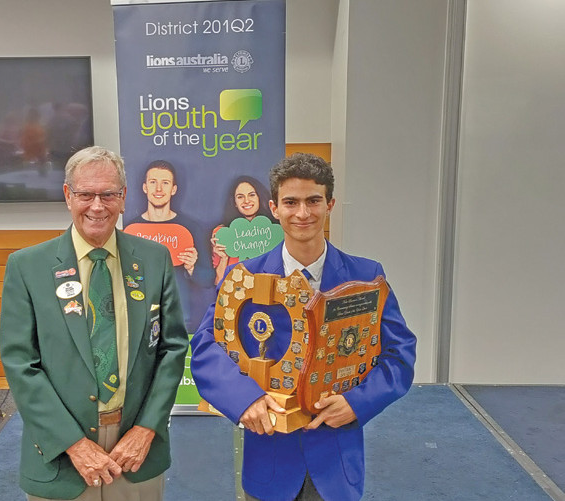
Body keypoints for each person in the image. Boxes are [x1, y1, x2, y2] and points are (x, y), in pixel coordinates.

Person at [190, 153, 417, 501]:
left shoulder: (366, 276)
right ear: (274, 207)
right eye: (290, 202)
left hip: (337, 459)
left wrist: (358, 402)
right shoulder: (246, 278)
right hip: (270, 459)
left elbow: (399, 355)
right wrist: (244, 399)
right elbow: (207, 346)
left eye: (313, 201)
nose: (302, 213)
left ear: (330, 204)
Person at [0, 146, 188, 501]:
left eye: (108, 194)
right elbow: (20, 364)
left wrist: (147, 428)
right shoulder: (28, 267)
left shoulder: (154, 260)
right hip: (62, 453)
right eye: (86, 194)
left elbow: (172, 348)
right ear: (68, 195)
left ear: (124, 197)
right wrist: (72, 443)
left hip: (136, 453)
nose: (97, 206)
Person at [128, 159, 215, 332]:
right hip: (140, 324)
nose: (158, 189)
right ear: (145, 187)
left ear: (173, 189)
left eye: (165, 183)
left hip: (183, 324)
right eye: (153, 182)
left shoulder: (190, 228)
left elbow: (208, 279)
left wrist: (192, 268)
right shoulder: (130, 230)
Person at [210, 176, 274, 284]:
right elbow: (218, 283)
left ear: (259, 197)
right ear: (234, 202)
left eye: (252, 195)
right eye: (240, 197)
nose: (247, 201)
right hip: (236, 295)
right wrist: (223, 258)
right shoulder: (222, 233)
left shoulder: (275, 230)